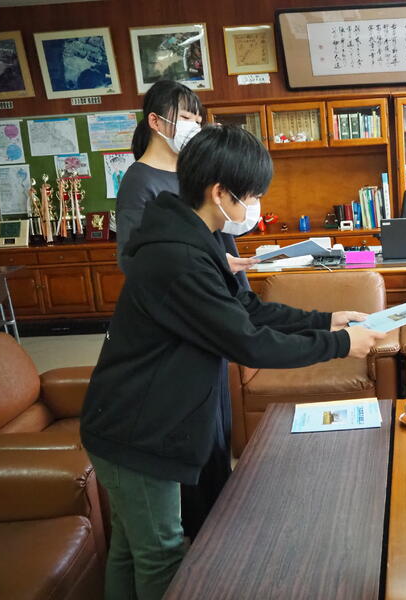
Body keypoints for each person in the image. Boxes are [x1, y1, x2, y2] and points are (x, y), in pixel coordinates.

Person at [81, 124, 386, 599]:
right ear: (220, 192)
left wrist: (327, 320)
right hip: (135, 430)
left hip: (137, 417)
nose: (255, 206)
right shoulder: (178, 257)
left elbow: (247, 309)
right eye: (252, 196)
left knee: (130, 548)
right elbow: (248, 343)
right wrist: (341, 345)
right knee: (160, 553)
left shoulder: (196, 237)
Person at [115, 80, 256, 539]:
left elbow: (210, 238)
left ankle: (218, 520)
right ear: (157, 122)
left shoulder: (190, 173)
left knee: (218, 422)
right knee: (195, 427)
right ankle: (202, 534)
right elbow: (135, 260)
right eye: (188, 117)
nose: (196, 124)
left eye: (199, 117)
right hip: (182, 316)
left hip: (214, 302)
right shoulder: (140, 180)